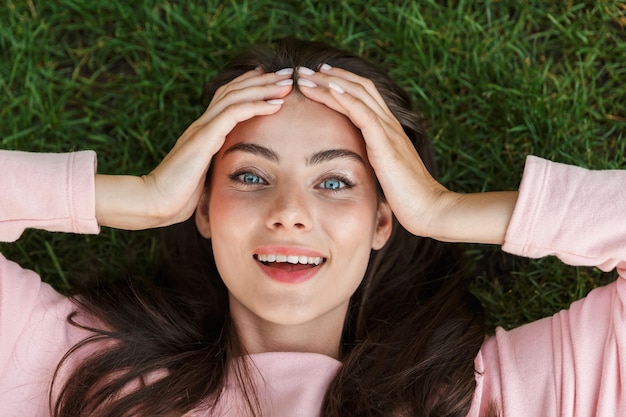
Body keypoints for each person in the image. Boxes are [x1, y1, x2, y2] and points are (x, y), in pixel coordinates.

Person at [0, 39, 624, 417]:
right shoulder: (84, 373)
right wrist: (140, 196)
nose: (289, 210)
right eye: (249, 176)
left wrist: (442, 210)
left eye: (334, 182)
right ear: (202, 207)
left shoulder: (485, 396)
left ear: (385, 218)